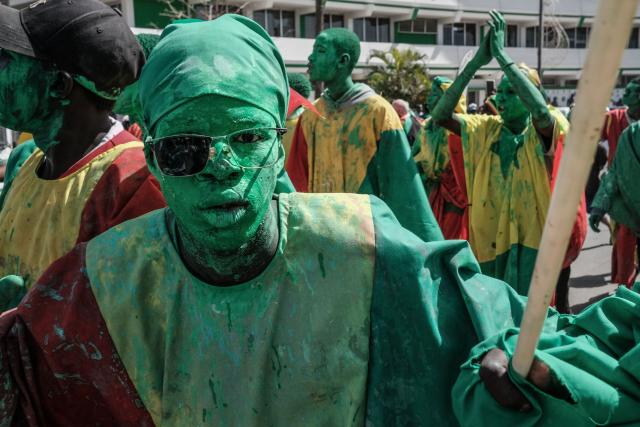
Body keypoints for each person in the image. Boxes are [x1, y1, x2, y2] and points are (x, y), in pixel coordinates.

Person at [0, 14, 637, 426]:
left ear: (281, 144)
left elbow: (541, 342)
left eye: (247, 139)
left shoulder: (367, 248)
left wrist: (515, 375)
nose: (222, 168)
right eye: (186, 150)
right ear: (156, 164)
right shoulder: (105, 280)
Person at [0, 0, 166, 309]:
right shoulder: (27, 165)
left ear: (59, 86)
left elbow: (140, 323)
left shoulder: (132, 183)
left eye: (4, 61)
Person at [431, 11, 586, 307]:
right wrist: (478, 62)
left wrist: (502, 57)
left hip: (533, 244)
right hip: (488, 242)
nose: (500, 98)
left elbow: (540, 113)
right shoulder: (485, 129)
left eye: (511, 91)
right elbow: (440, 115)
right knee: (492, 315)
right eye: (499, 91)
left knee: (532, 324)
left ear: (530, 95)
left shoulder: (549, 125)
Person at [286, 28, 442, 242]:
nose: (310, 58)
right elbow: (297, 180)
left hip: (368, 238)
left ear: (342, 61)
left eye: (320, 51)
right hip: (322, 236)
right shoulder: (312, 117)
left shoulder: (377, 112)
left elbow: (401, 186)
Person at [589, 78, 640, 287]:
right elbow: (588, 135)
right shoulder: (615, 120)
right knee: (623, 245)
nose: (624, 95)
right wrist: (599, 205)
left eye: (629, 91)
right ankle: (624, 291)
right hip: (622, 194)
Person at [412, 76, 469, 240]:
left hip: (454, 196)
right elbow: (413, 157)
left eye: (434, 95)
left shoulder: (459, 126)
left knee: (449, 240)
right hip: (430, 192)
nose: (428, 99)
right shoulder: (426, 126)